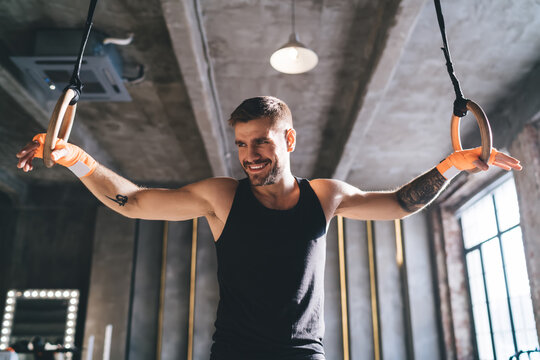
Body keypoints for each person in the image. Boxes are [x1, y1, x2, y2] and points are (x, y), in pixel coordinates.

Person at [16, 96, 522, 359]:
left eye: (261, 142)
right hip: (234, 352)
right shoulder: (221, 196)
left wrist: (451, 165)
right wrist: (77, 157)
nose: (250, 156)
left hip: (302, 353)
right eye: (241, 144)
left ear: (289, 139)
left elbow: (396, 204)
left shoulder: (325, 196)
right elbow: (134, 202)